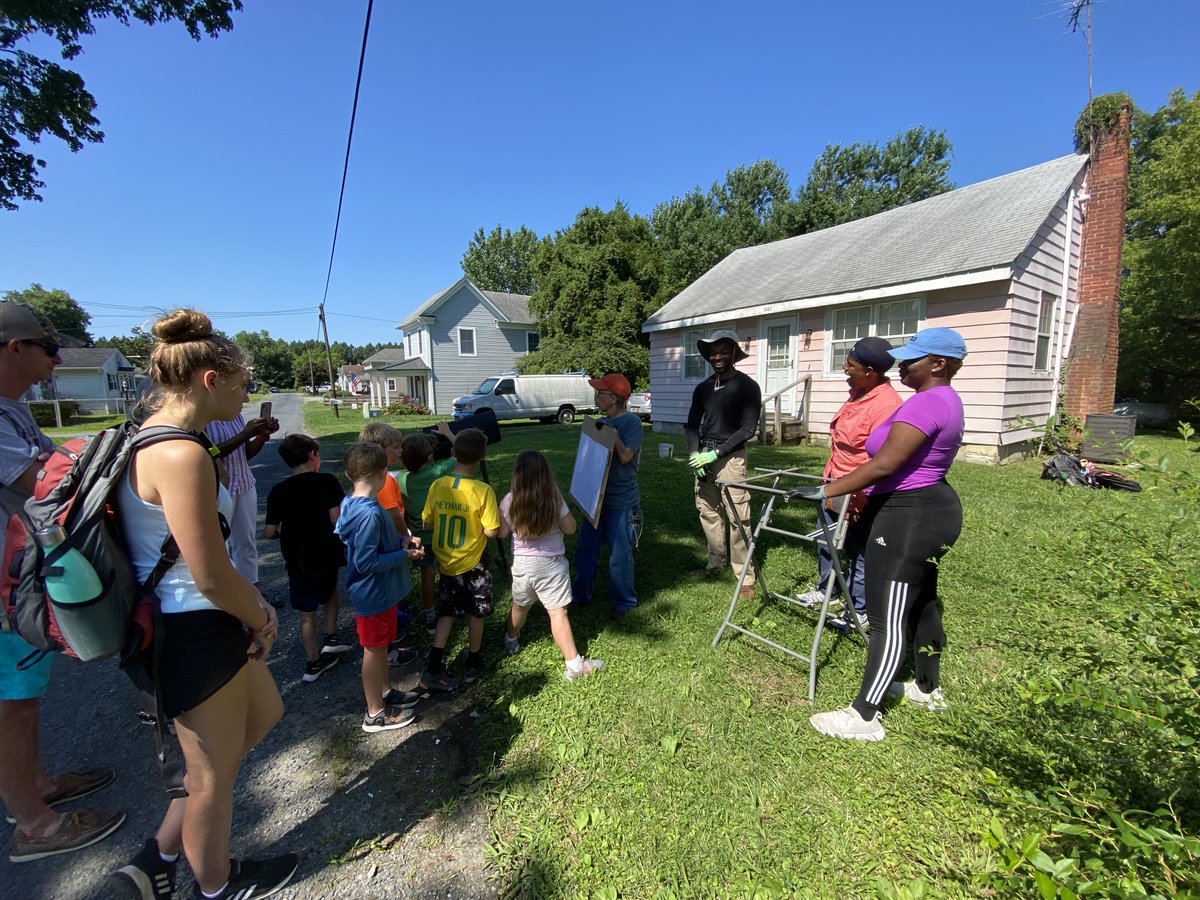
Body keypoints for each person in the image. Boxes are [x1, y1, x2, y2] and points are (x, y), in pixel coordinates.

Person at [119, 309, 295, 898]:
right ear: (210, 380)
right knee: (211, 779)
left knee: (263, 712)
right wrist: (262, 615)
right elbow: (213, 574)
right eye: (244, 386)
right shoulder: (181, 455)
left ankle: (162, 849)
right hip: (191, 629)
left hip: (204, 623)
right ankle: (217, 885)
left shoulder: (165, 437)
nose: (246, 399)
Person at [797, 328, 967, 743]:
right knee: (924, 602)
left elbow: (884, 464)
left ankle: (864, 715)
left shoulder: (929, 402)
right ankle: (926, 687)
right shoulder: (941, 400)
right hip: (930, 510)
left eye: (912, 359)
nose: (903, 365)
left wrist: (826, 489)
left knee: (885, 618)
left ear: (939, 364)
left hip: (909, 516)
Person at [0, 301, 124, 863]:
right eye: (48, 348)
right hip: (5, 581)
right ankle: (35, 824)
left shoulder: (13, 410)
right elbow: (45, 481)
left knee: (23, 696)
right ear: (13, 348)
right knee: (12, 700)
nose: (56, 357)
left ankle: (37, 785)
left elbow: (57, 462)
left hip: (20, 569)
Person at [795, 337, 903, 631]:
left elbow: (879, 461)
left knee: (858, 549)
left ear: (870, 370)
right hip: (833, 481)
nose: (845, 368)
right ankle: (827, 591)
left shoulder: (887, 406)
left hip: (858, 490)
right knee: (826, 539)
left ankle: (859, 610)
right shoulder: (857, 393)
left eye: (850, 364)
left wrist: (858, 499)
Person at [334, 442, 423, 734]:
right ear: (384, 474)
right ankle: (375, 714)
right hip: (373, 594)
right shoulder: (371, 513)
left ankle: (385, 692)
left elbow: (371, 542)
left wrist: (402, 542)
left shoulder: (351, 503)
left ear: (349, 474)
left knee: (382, 646)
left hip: (379, 593)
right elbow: (366, 561)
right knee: (373, 652)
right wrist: (405, 555)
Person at [500, 450, 603, 680]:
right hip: (551, 566)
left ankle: (510, 639)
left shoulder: (508, 500)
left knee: (520, 606)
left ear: (517, 475)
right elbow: (570, 528)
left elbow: (503, 532)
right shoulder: (554, 499)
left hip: (523, 565)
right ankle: (574, 666)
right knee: (557, 614)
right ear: (546, 474)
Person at [263, 434, 352, 684]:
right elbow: (337, 520)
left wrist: (285, 532)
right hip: (326, 550)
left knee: (306, 612)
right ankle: (332, 637)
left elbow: (269, 532)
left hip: (297, 557)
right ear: (313, 455)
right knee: (330, 591)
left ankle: (313, 662)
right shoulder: (326, 481)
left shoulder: (278, 491)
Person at [685, 330, 761, 599]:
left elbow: (747, 429)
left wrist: (715, 453)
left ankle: (745, 576)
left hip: (730, 458)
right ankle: (716, 564)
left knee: (738, 516)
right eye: (713, 353)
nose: (717, 357)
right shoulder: (704, 388)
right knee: (708, 510)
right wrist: (695, 454)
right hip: (704, 457)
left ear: (733, 354)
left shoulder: (747, 387)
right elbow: (692, 424)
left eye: (723, 352)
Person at [420, 428, 499, 688]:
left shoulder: (438, 485)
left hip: (447, 563)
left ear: (453, 453)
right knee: (476, 613)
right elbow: (491, 531)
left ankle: (434, 666)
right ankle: (473, 661)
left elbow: (427, 523)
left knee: (448, 613)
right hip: (475, 562)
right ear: (483, 456)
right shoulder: (482, 490)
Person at [570, 374, 643, 619]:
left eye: (600, 393)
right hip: (596, 498)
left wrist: (614, 435)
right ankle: (580, 595)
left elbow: (625, 457)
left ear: (613, 399)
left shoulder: (632, 423)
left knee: (619, 553)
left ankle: (624, 603)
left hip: (621, 500)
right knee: (586, 548)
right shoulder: (600, 422)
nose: (596, 396)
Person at [204, 402, 278, 586]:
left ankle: (253, 592)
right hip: (220, 488)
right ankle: (228, 596)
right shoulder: (203, 419)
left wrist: (261, 436)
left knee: (246, 542)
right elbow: (209, 453)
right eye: (241, 389)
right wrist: (245, 434)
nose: (244, 397)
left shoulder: (235, 416)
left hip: (244, 483)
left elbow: (245, 454)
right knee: (221, 545)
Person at [397, 427, 460, 635]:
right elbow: (462, 452)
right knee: (448, 571)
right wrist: (449, 434)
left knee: (427, 575)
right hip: (441, 533)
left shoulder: (402, 479)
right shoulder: (438, 470)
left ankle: (430, 615)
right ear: (428, 456)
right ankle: (451, 607)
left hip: (418, 536)